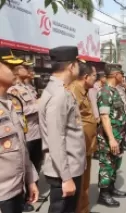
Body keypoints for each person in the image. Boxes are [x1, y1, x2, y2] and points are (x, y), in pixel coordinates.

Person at [38, 46, 86, 213]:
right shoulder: (58, 95)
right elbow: (56, 140)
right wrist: (66, 178)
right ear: (72, 66)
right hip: (64, 172)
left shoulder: (59, 90)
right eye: (78, 63)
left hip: (68, 167)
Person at [0, 47, 39, 213]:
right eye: (9, 65)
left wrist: (30, 180)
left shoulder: (10, 102)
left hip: (16, 189)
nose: (15, 70)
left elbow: (21, 146)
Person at [7, 60, 44, 212]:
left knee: (35, 164)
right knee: (23, 167)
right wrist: (40, 105)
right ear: (16, 71)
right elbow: (21, 112)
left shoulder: (27, 87)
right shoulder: (13, 90)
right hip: (27, 134)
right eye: (24, 67)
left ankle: (31, 193)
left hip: (37, 132)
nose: (28, 69)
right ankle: (22, 200)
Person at [97, 65, 126, 208]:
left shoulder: (115, 91)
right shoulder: (105, 92)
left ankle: (111, 188)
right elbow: (104, 117)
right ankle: (103, 194)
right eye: (122, 74)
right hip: (109, 137)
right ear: (116, 75)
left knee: (116, 163)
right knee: (107, 165)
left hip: (118, 135)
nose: (123, 76)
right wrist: (111, 139)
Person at [69, 63, 97, 213]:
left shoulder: (84, 91)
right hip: (79, 148)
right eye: (94, 76)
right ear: (86, 77)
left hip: (86, 147)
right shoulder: (74, 90)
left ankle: (84, 209)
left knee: (85, 182)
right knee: (79, 184)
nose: (95, 80)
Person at [88, 70, 105, 160]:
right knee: (96, 134)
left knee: (100, 133)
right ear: (101, 78)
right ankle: (95, 151)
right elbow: (94, 103)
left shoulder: (101, 87)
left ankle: (99, 149)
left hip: (100, 113)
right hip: (96, 115)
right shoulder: (93, 88)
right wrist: (97, 116)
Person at [116, 78, 126, 151]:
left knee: (124, 129)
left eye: (124, 81)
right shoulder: (116, 89)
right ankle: (121, 145)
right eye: (122, 81)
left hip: (124, 111)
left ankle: (124, 143)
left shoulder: (122, 88)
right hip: (119, 113)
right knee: (120, 130)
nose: (124, 82)